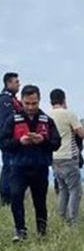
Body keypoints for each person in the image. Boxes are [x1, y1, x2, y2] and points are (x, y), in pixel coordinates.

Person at [0, 85, 61, 242]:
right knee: (16, 197)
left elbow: (56, 143)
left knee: (40, 202)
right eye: (27, 103)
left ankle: (42, 233)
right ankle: (20, 231)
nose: (30, 107)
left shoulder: (47, 121)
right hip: (18, 167)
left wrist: (43, 141)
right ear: (22, 101)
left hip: (40, 167)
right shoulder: (12, 120)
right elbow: (3, 142)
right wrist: (19, 141)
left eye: (34, 103)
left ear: (39, 101)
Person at [50, 89, 84, 225]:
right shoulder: (69, 114)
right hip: (69, 156)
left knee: (62, 189)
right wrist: (82, 127)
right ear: (64, 100)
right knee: (75, 191)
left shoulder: (47, 115)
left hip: (54, 157)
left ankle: (61, 218)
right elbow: (82, 134)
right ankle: (73, 221)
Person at [0, 72, 22, 206]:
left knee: (12, 167)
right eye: (16, 82)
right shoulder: (5, 100)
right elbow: (6, 122)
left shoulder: (12, 100)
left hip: (13, 141)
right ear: (8, 83)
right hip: (8, 141)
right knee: (9, 167)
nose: (19, 84)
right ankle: (6, 197)